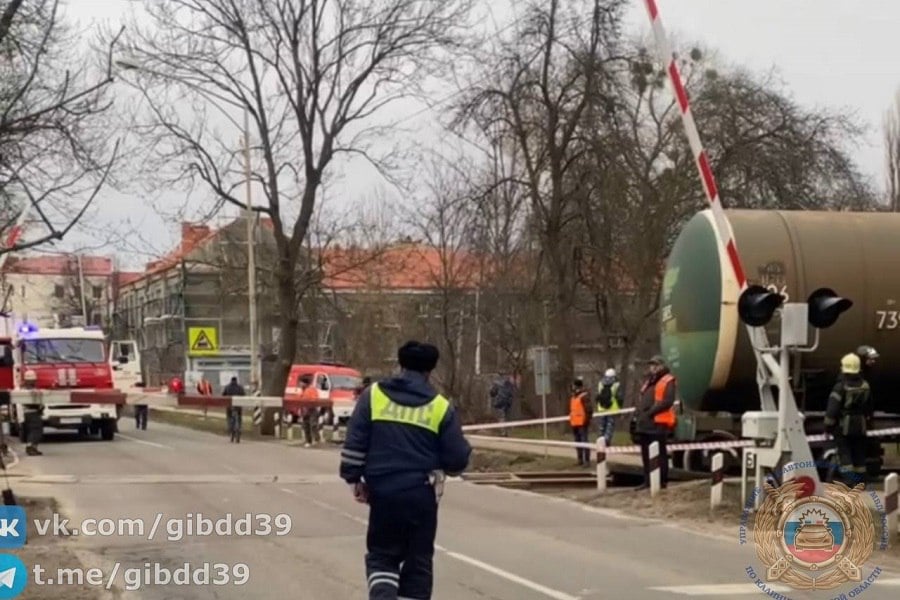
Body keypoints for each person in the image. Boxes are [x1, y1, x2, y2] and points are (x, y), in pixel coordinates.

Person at [339, 340, 471, 600]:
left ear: (399, 365)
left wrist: (354, 478)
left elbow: (354, 443)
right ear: (430, 371)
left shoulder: (373, 395)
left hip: (383, 492)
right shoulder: (440, 406)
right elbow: (456, 460)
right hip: (421, 494)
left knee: (382, 556)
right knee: (418, 561)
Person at [825, 353, 873, 484]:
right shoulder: (865, 386)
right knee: (859, 455)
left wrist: (828, 427)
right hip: (861, 425)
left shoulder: (840, 387)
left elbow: (832, 410)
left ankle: (849, 481)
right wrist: (868, 423)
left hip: (844, 426)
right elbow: (870, 407)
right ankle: (861, 481)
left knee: (844, 454)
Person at [633, 355, 677, 489]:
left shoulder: (668, 380)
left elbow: (667, 401)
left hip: (658, 422)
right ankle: (648, 480)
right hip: (645, 423)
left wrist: (650, 412)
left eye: (655, 365)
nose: (652, 367)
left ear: (661, 366)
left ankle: (661, 481)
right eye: (651, 365)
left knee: (660, 454)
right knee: (646, 453)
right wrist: (638, 415)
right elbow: (642, 399)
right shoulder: (649, 381)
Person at [595, 368, 623, 447]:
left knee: (601, 425)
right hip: (612, 408)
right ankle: (606, 440)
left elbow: (598, 395)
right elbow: (619, 397)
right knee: (610, 426)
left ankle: (600, 440)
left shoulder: (600, 383)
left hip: (602, 408)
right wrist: (620, 408)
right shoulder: (616, 384)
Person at [568, 378, 592, 465]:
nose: (572, 387)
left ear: (577, 386)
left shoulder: (584, 396)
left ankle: (587, 460)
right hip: (575, 423)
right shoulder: (573, 396)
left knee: (584, 442)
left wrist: (586, 420)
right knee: (577, 442)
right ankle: (580, 460)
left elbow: (589, 410)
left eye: (574, 385)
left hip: (582, 423)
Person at [223, 377, 245, 443]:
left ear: (231, 381)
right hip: (238, 407)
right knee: (239, 418)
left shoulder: (227, 387)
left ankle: (230, 429)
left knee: (229, 418)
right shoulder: (240, 388)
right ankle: (239, 429)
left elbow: (223, 395)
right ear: (236, 381)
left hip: (230, 407)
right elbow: (243, 395)